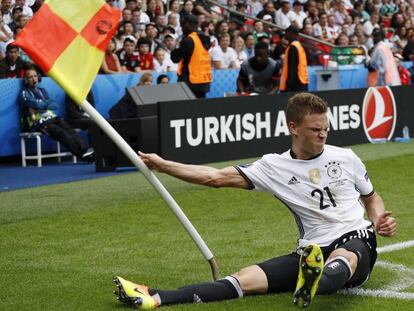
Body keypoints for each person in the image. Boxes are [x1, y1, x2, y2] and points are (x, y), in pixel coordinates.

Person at [113, 92, 396, 309]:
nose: (323, 134)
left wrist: (378, 218)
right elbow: (214, 177)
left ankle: (315, 281)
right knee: (245, 279)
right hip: (310, 249)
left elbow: (371, 198)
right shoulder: (274, 166)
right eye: (315, 129)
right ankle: (156, 297)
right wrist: (163, 165)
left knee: (343, 258)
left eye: (325, 128)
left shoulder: (346, 157)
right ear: (294, 128)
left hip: (355, 239)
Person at [19, 67, 94, 161]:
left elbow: (54, 105)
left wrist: (41, 104)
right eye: (30, 77)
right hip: (38, 122)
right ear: (26, 80)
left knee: (70, 130)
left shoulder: (43, 91)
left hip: (52, 118)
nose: (34, 79)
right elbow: (35, 103)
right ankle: (83, 156)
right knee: (62, 134)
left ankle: (86, 150)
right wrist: (44, 103)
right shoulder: (24, 93)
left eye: (35, 76)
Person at [171, 14, 211, 98]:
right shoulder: (205, 38)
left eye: (183, 24)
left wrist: (174, 46)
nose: (181, 27)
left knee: (187, 109)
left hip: (190, 81)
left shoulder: (189, 40)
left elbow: (175, 58)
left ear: (191, 24)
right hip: (203, 81)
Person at [279, 25, 309, 92]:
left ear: (291, 33)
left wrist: (289, 85)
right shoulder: (298, 45)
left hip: (295, 85)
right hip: (302, 82)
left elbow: (292, 67)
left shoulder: (293, 47)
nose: (285, 34)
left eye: (287, 32)